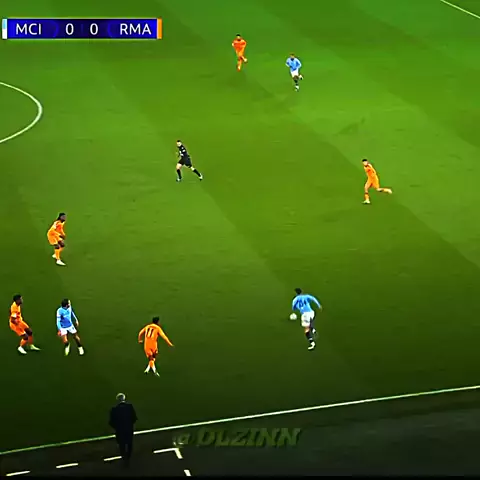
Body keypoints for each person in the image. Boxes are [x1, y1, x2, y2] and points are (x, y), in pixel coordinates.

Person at [109, 393, 137, 467]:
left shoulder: (114, 409)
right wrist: (130, 425)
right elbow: (134, 418)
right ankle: (128, 457)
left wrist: (117, 427)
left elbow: (111, 422)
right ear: (124, 399)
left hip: (119, 430)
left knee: (121, 445)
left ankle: (124, 458)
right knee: (129, 443)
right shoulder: (129, 407)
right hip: (128, 429)